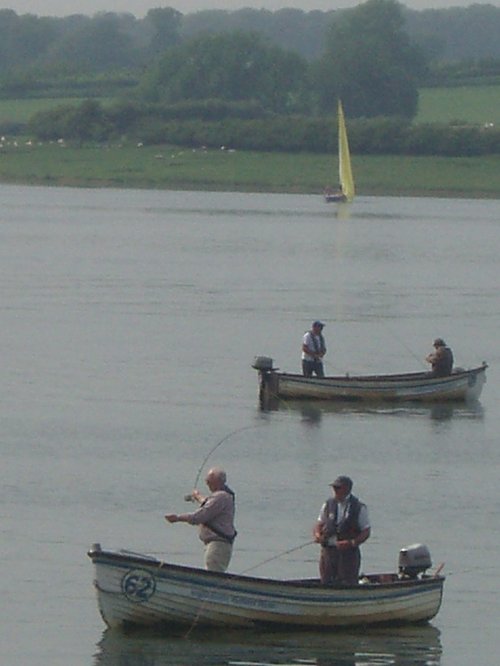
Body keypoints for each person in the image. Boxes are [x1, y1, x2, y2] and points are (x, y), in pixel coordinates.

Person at [165, 467, 237, 572]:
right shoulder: (223, 497)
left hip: (218, 545)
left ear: (217, 481)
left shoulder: (220, 497)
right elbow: (209, 505)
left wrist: (177, 518)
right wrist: (198, 497)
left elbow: (198, 517)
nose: (207, 483)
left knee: (213, 576)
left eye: (209, 480)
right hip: (217, 545)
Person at [313, 475, 370, 585]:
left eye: (338, 488)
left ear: (347, 489)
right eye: (334, 487)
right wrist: (317, 535)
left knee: (347, 582)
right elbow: (319, 523)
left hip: (348, 555)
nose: (335, 490)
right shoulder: (328, 504)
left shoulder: (359, 507)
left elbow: (366, 531)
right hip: (328, 552)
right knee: (326, 581)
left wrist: (352, 543)